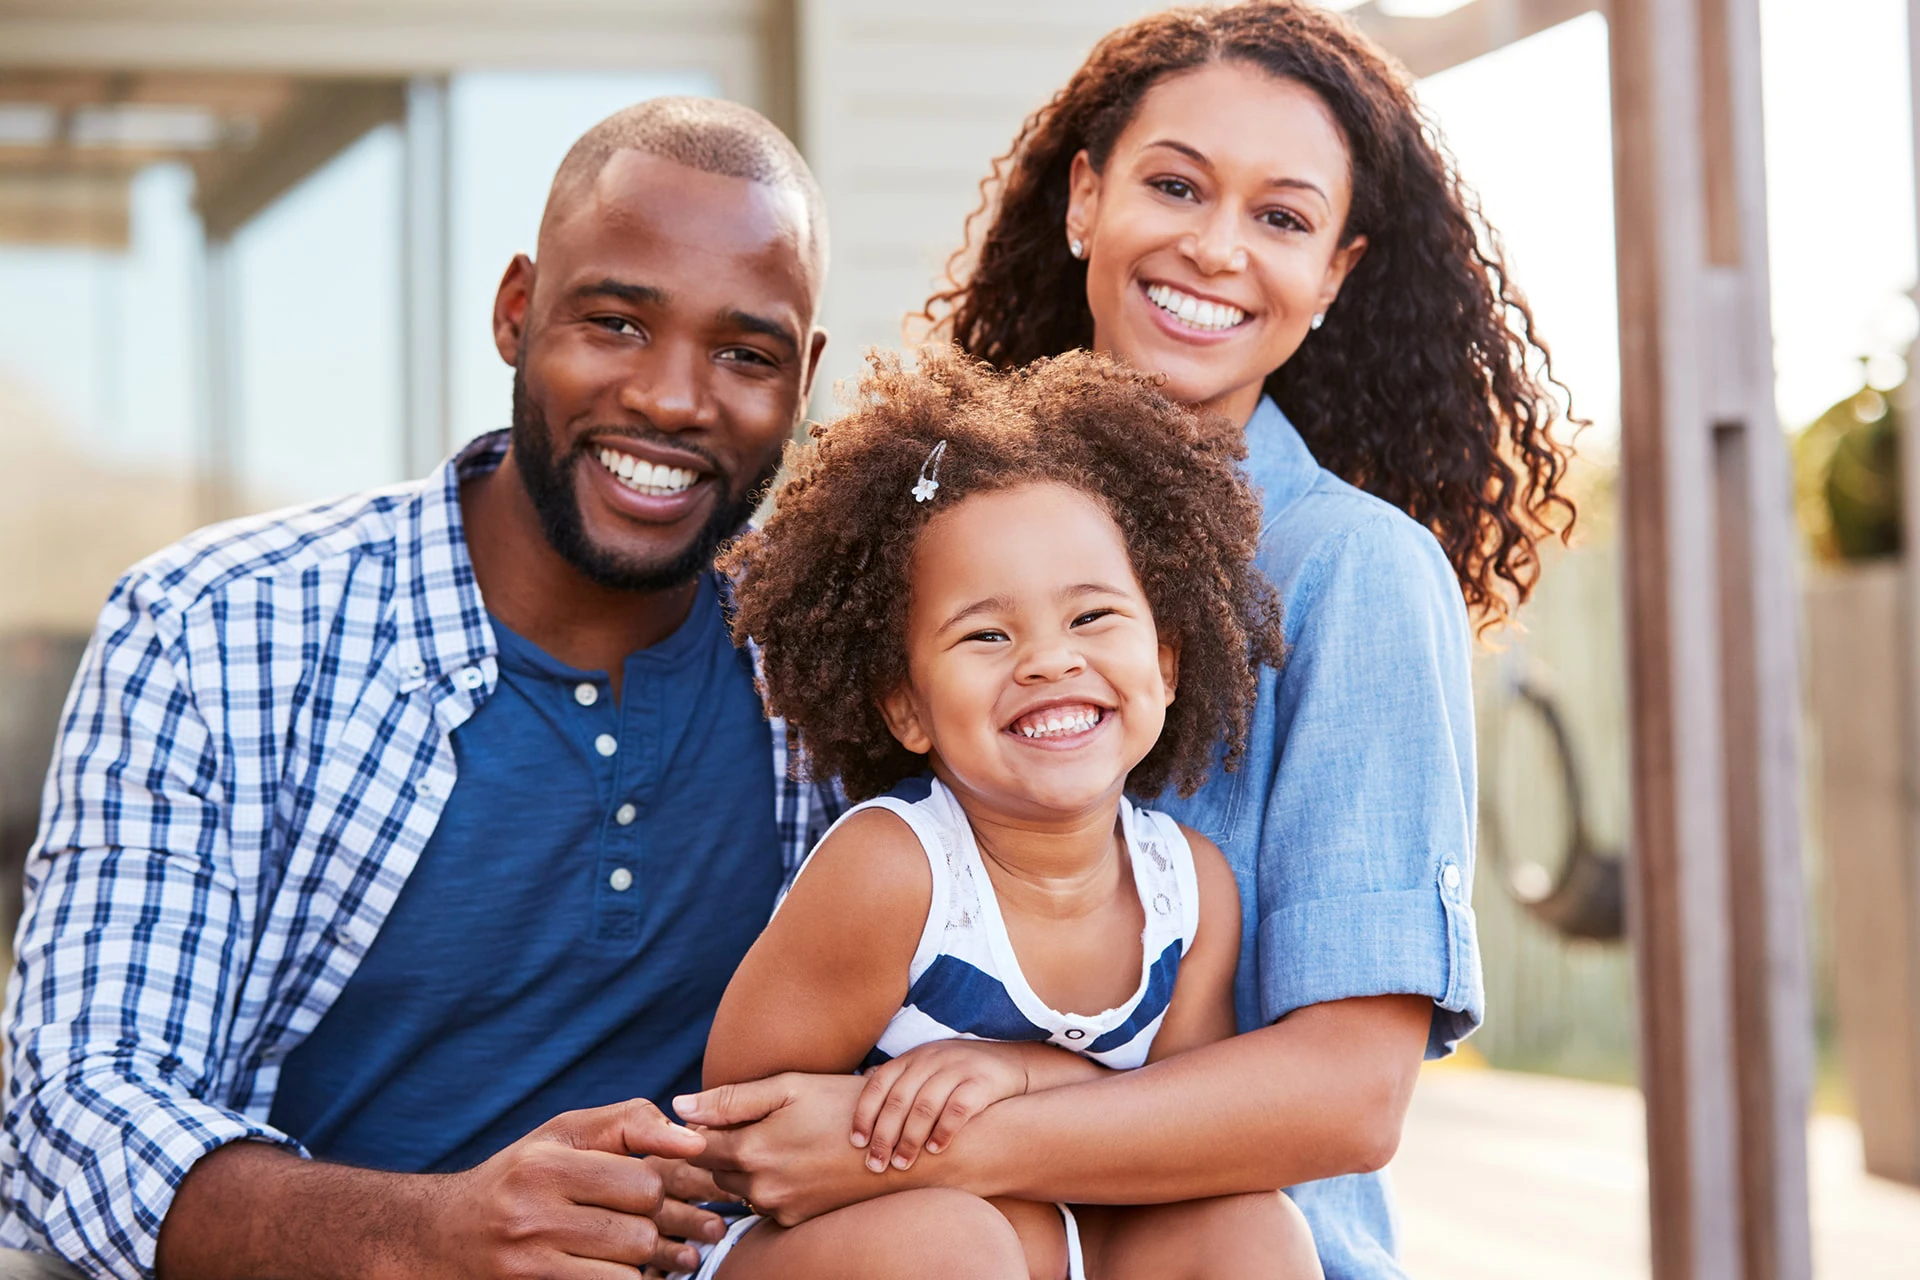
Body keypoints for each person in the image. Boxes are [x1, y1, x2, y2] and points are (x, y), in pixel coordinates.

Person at [674, 5, 1578, 1278]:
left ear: (1334, 272)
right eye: (1175, 184)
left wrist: (947, 1135)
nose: (1215, 247)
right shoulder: (932, 514)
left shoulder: (1353, 574)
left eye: (1282, 217)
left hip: (1216, 1240)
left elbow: (1346, 1096)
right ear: (1086, 198)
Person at [0, 97, 836, 1280]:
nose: (671, 398)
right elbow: (71, 1110)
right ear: (515, 310)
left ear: (803, 379)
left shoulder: (834, 673)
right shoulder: (215, 630)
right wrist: (430, 1232)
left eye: (744, 353)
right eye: (614, 322)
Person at [694, 349, 1315, 1280]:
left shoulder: (1191, 892)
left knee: (1249, 1229)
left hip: (1069, 1241)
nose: (1048, 661)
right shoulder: (895, 871)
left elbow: (1188, 1133)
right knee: (955, 1246)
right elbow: (740, 1130)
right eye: (986, 633)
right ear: (904, 705)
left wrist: (1026, 1077)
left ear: (1169, 661)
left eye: (1094, 616)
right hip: (851, 1250)